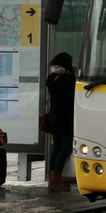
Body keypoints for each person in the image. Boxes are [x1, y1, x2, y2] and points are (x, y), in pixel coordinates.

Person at [45, 52, 75, 192]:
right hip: (65, 119)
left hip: (54, 117)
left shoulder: (52, 78)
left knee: (56, 147)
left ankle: (53, 179)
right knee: (65, 148)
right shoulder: (67, 80)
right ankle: (55, 180)